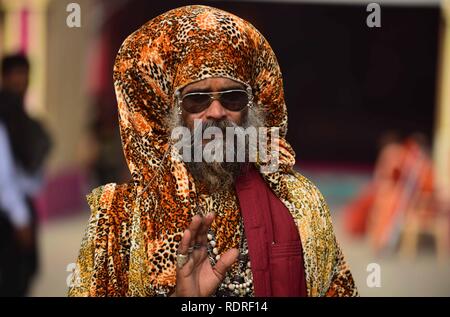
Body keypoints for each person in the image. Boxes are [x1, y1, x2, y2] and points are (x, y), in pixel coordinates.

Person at [68, 5, 357, 297]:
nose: (217, 112)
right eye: (197, 100)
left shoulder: (300, 204)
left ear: (251, 109)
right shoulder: (121, 218)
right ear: (170, 112)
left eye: (232, 98)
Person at [0, 53, 51, 296]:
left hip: (21, 208)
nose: (20, 81)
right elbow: (4, 174)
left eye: (24, 75)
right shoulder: (4, 115)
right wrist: (20, 217)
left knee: (23, 275)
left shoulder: (25, 120)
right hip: (9, 214)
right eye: (15, 75)